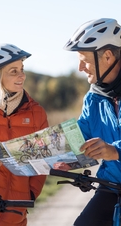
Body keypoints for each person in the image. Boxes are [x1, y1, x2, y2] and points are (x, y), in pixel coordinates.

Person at [63, 18, 121, 226]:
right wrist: (51, 152)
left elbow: (111, 150)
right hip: (112, 183)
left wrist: (114, 152)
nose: (80, 68)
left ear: (107, 56)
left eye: (84, 60)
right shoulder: (93, 97)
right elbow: (81, 136)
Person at [0, 43, 48, 226]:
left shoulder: (36, 113)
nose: (22, 75)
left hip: (16, 210)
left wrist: (30, 194)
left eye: (22, 69)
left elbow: (43, 160)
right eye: (13, 71)